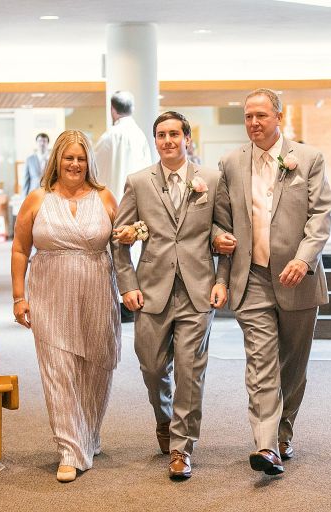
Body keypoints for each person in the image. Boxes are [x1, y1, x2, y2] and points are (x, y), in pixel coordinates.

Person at [213, 88, 331, 476]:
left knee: (293, 365)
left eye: (261, 116)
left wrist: (303, 258)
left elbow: (321, 216)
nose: (253, 123)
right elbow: (219, 217)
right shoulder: (230, 163)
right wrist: (219, 236)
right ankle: (266, 445)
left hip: (298, 276)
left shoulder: (308, 159)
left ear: (278, 117)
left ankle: (284, 432)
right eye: (248, 116)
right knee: (261, 362)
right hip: (251, 278)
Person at [112, 111, 229, 480]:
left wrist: (220, 280)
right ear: (155, 141)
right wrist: (127, 285)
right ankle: (164, 418)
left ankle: (181, 447)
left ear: (187, 139)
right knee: (151, 366)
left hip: (197, 290)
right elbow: (120, 238)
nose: (168, 141)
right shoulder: (138, 182)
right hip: (151, 291)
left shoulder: (211, 179)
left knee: (191, 372)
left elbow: (225, 237)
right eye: (161, 135)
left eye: (174, 134)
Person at [11, 130, 121, 483]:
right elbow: (19, 249)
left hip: (97, 293)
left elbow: (122, 247)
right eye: (68, 157)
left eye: (81, 158)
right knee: (58, 371)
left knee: (96, 369)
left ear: (89, 161)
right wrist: (18, 296)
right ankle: (70, 450)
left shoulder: (105, 197)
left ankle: (88, 434)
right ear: (56, 159)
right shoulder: (37, 198)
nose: (75, 164)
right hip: (49, 294)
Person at [94, 90, 153, 200]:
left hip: (111, 202)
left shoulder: (108, 136)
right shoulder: (140, 136)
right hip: (137, 201)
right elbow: (148, 172)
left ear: (112, 109)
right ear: (132, 109)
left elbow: (94, 169)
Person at [23, 133, 51, 198]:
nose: (42, 143)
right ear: (36, 143)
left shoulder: (53, 159)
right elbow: (26, 180)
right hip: (33, 193)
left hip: (48, 194)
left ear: (48, 143)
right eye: (40, 141)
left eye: (44, 141)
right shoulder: (29, 160)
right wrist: (24, 197)